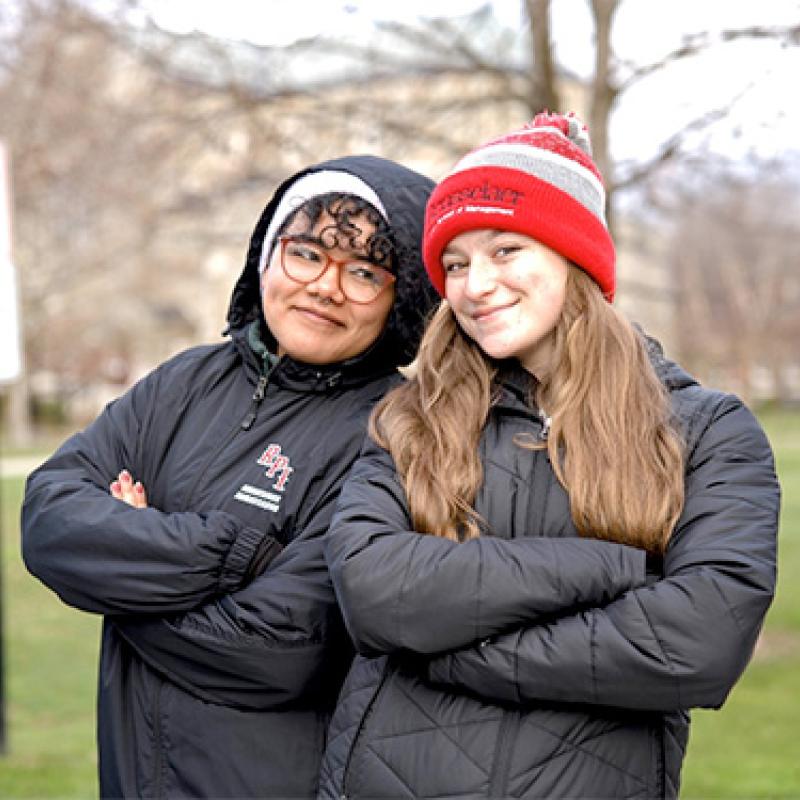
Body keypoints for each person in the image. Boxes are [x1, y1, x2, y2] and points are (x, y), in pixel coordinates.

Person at [317, 114, 780, 799]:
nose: (474, 285)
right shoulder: (412, 418)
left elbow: (696, 645)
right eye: (456, 262)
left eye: (505, 250)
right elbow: (375, 592)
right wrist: (610, 567)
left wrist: (448, 650)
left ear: (575, 258)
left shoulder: (709, 434)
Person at [21, 154, 440, 798]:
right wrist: (232, 551)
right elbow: (49, 519)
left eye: (363, 272)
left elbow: (284, 648)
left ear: (401, 299)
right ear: (267, 258)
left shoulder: (397, 433)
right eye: (305, 254)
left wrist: (124, 576)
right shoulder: (183, 383)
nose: (325, 286)